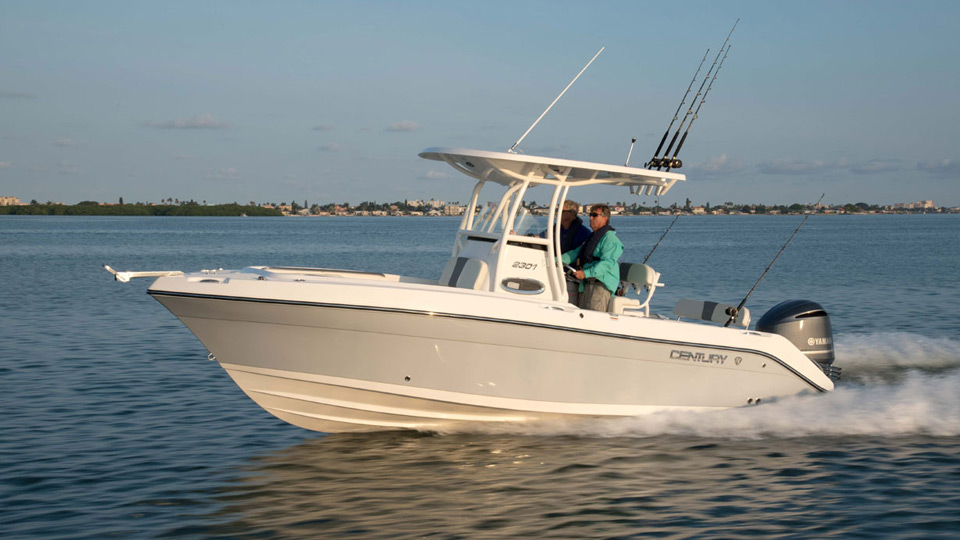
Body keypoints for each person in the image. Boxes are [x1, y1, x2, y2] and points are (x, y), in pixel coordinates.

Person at [562, 203, 624, 312]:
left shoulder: (610, 240)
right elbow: (575, 253)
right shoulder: (592, 237)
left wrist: (585, 273)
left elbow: (607, 264)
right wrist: (554, 260)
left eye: (595, 215)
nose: (590, 218)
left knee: (594, 318)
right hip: (587, 284)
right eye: (590, 215)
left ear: (605, 218)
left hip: (600, 286)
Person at [541, 200, 591, 304]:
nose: (556, 213)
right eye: (556, 211)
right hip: (554, 272)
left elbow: (579, 254)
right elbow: (540, 237)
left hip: (571, 277)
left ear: (572, 214)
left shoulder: (584, 233)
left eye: (560, 211)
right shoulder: (554, 229)